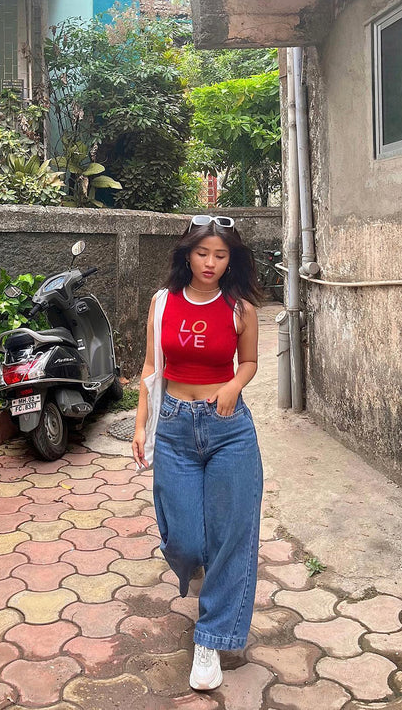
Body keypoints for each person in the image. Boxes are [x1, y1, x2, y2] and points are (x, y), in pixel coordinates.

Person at [132, 214, 264, 691]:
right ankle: (206, 574)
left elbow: (248, 362)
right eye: (203, 252)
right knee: (184, 539)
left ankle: (211, 639)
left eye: (221, 255)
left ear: (231, 260)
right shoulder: (163, 302)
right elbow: (151, 365)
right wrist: (142, 423)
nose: (210, 263)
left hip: (228, 428)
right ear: (187, 252)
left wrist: (233, 384)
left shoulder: (240, 306)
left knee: (233, 535)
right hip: (173, 427)